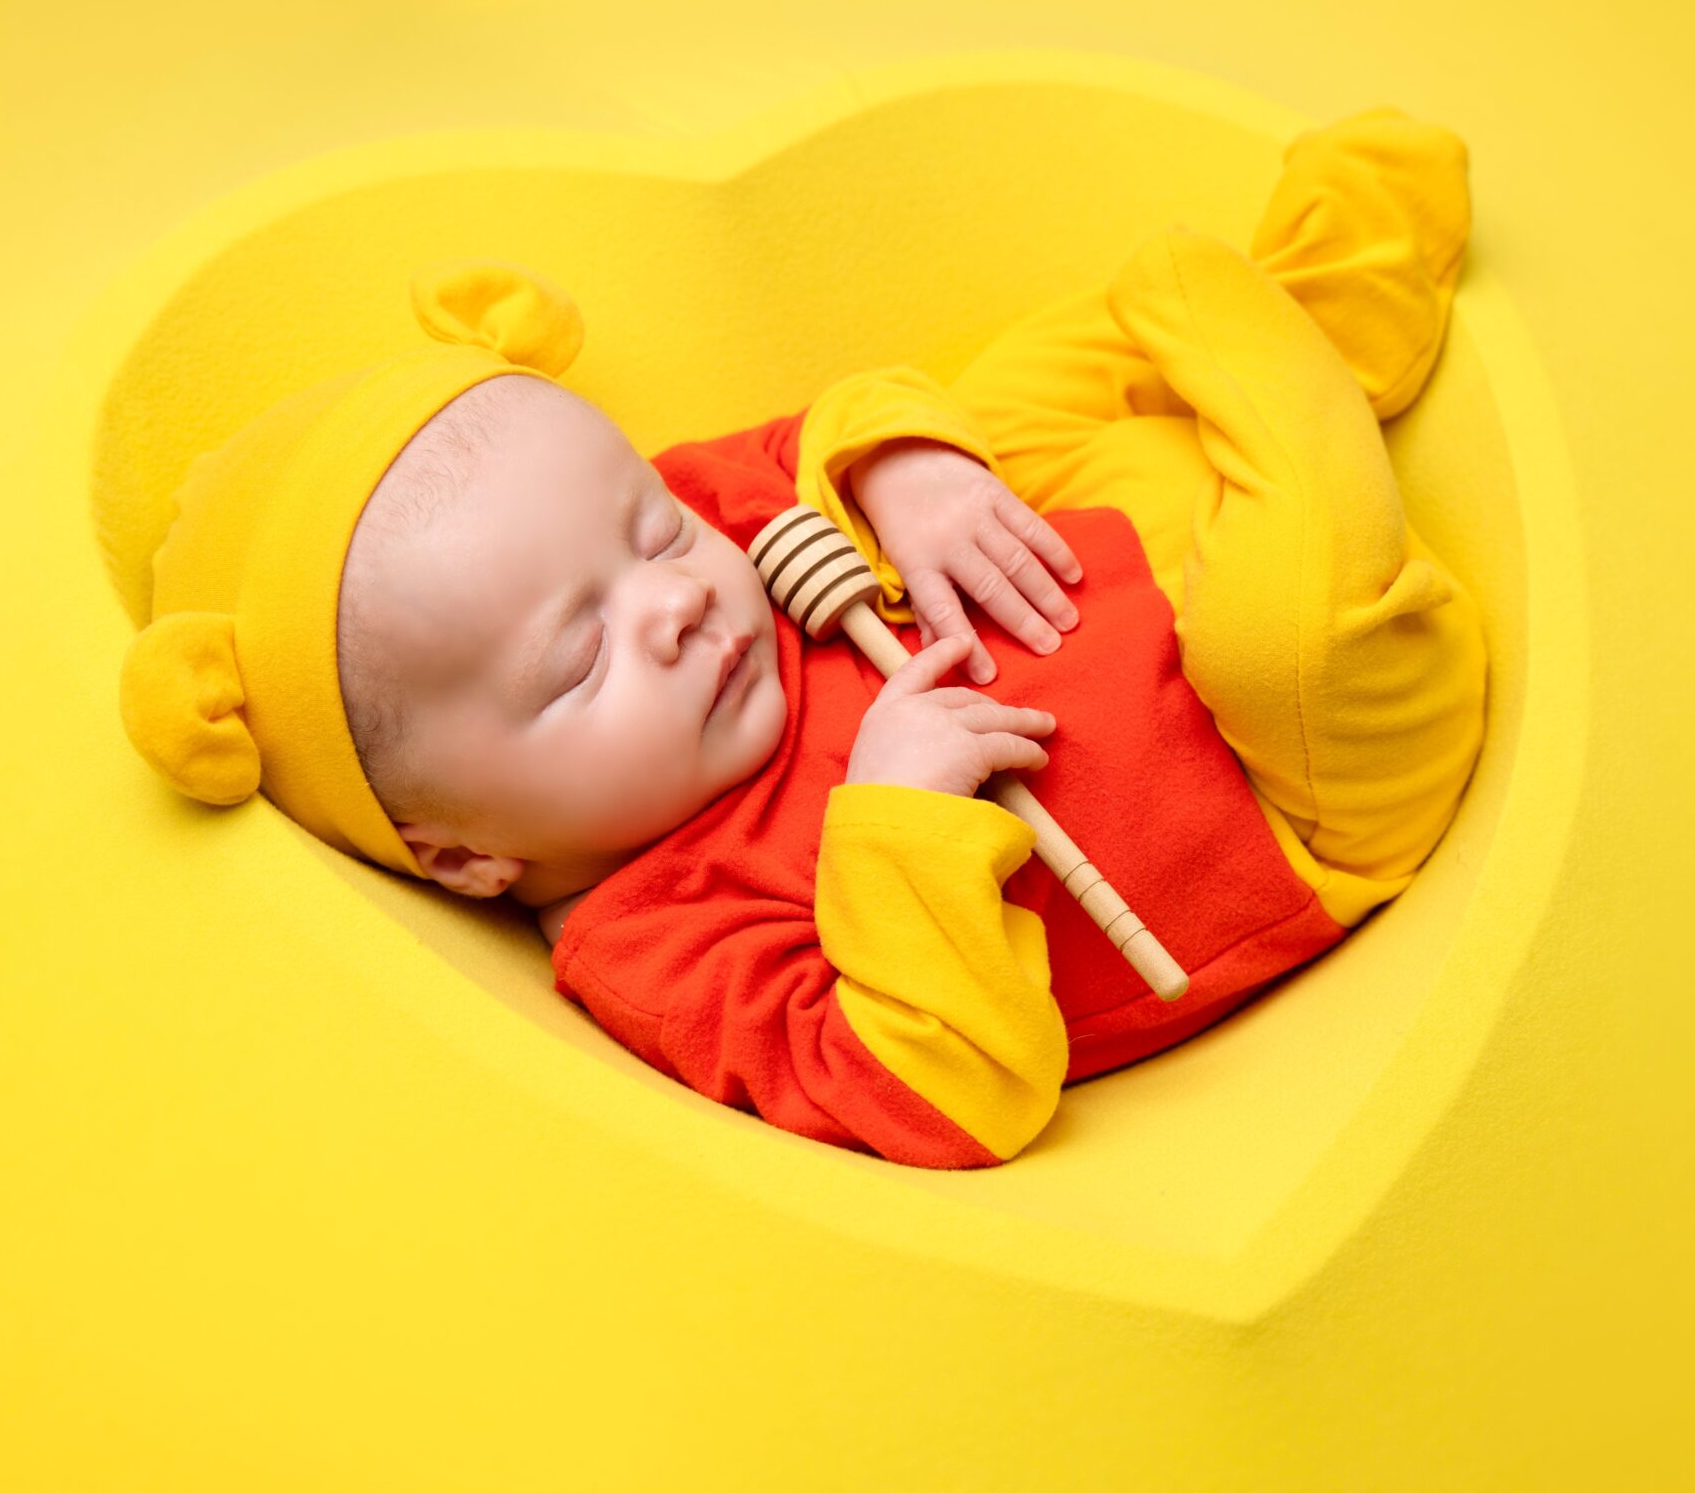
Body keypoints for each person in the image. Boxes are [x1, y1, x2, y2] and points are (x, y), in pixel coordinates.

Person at [119, 108, 1488, 1168]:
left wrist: (904, 467)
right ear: (468, 855)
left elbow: (789, 447)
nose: (672, 599)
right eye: (579, 661)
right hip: (1278, 789)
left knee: (994, 397)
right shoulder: (657, 942)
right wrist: (900, 824)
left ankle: (1318, 321)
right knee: (1286, 632)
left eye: (652, 531)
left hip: (1094, 534)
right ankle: (1275, 361)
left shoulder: (677, 527)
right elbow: (935, 1097)